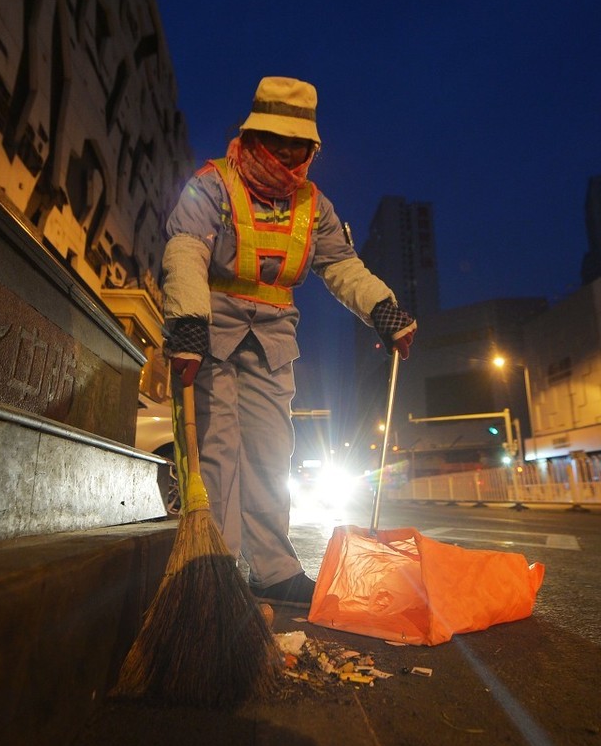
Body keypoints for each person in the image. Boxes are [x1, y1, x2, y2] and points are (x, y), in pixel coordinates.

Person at [159, 76, 417, 608]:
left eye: (297, 143)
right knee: (216, 454)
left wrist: (383, 310)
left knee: (272, 455)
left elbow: (341, 266)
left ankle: (273, 570)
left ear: (310, 147)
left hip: (274, 342)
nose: (287, 152)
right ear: (254, 134)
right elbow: (185, 249)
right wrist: (185, 322)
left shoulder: (313, 205)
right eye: (278, 138)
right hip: (211, 334)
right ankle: (217, 566)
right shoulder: (212, 184)